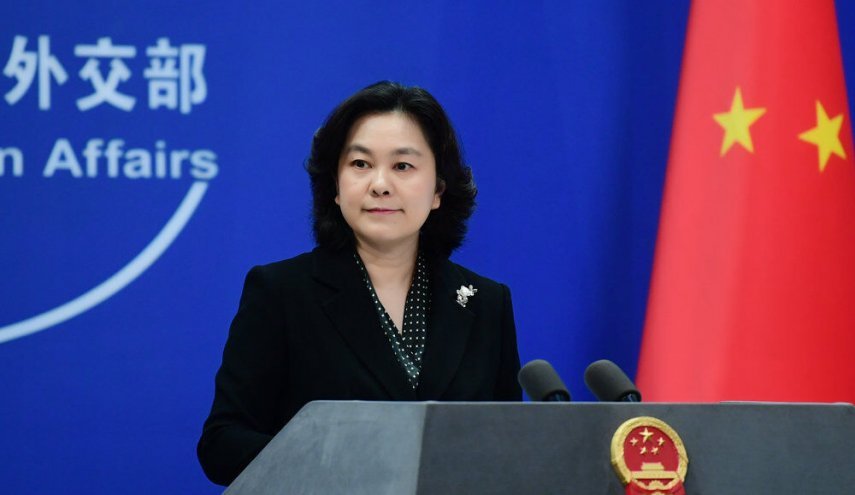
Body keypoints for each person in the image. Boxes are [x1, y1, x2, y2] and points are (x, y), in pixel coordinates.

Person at [197, 81, 521, 486]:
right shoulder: (281, 292)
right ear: (335, 185)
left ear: (439, 189)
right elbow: (222, 444)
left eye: (402, 166)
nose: (380, 184)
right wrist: (335, 466)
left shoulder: (485, 303)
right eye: (361, 164)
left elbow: (509, 449)